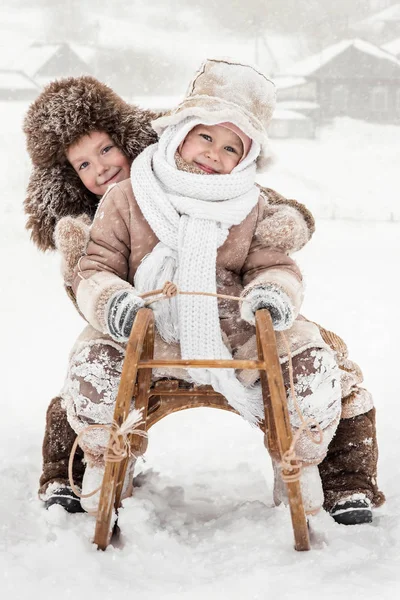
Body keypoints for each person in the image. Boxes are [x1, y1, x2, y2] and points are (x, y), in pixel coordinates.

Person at [23, 70, 384, 523]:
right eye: (84, 165)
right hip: (145, 327)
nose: (101, 167)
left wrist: (274, 282)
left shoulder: (240, 196)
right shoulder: (126, 198)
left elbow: (271, 252)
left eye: (231, 146)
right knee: (86, 375)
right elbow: (95, 269)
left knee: (326, 363)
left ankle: (338, 478)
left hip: (238, 326)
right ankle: (73, 472)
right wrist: (110, 300)